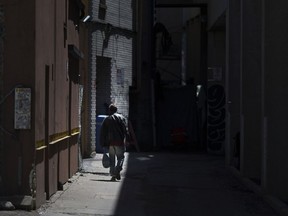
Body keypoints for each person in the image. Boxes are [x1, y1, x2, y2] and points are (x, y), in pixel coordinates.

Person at [100, 104, 128, 181]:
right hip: (119, 142)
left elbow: (103, 132)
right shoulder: (121, 118)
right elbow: (125, 130)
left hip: (110, 143)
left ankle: (113, 174)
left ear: (109, 110)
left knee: (112, 159)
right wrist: (127, 139)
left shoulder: (107, 119)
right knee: (121, 158)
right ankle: (117, 170)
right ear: (116, 110)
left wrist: (103, 144)